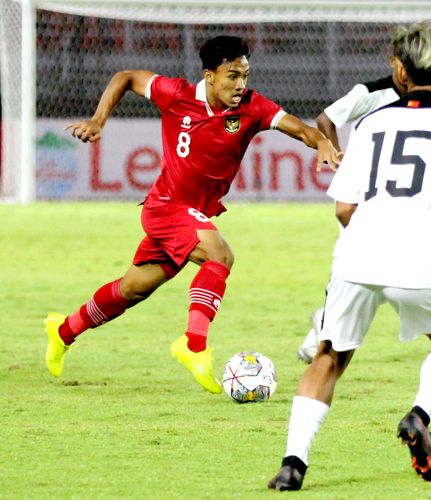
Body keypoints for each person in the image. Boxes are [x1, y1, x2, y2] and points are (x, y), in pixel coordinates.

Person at [45, 36, 340, 393]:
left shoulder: (252, 106)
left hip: (189, 215)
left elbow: (299, 128)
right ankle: (193, 344)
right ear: (210, 75)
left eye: (245, 75)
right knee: (221, 254)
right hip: (166, 207)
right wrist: (98, 120)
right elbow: (125, 76)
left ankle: (63, 330)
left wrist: (321, 141)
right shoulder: (176, 93)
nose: (241, 84)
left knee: (132, 289)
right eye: (233, 76)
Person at [268, 21, 431, 490]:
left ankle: (292, 464)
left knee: (328, 355)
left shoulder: (371, 123)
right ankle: (419, 415)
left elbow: (345, 207)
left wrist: (372, 238)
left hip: (357, 256)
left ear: (402, 73)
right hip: (422, 259)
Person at [297, 36, 407, 363]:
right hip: (362, 194)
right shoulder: (370, 93)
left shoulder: (423, 99)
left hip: (397, 195)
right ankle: (328, 324)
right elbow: (325, 119)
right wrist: (336, 157)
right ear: (394, 63)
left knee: (382, 273)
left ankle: (325, 321)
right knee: (361, 264)